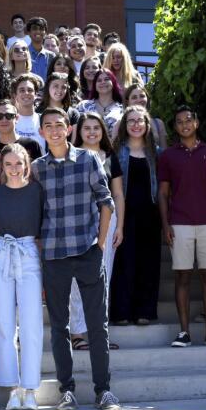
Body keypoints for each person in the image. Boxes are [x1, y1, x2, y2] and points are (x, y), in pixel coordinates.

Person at [32, 108, 121, 410]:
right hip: (55, 256)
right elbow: (36, 211)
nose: (55, 130)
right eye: (48, 126)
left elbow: (106, 201)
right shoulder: (37, 168)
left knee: (97, 325)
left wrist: (99, 243)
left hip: (87, 252)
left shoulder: (87, 159)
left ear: (69, 129)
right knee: (60, 326)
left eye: (59, 125)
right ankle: (66, 390)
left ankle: (104, 390)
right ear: (42, 132)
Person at [157, 106, 206, 348]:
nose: (185, 124)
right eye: (179, 121)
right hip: (179, 223)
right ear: (175, 127)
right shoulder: (167, 156)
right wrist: (165, 224)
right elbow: (163, 194)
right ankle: (184, 332)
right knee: (182, 277)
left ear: (197, 123)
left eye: (189, 120)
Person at [0, 144, 44, 410]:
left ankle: (31, 388)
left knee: (31, 322)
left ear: (26, 164)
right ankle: (12, 388)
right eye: (8, 164)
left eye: (18, 164)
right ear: (2, 166)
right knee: (3, 322)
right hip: (2, 252)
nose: (13, 169)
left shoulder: (37, 191)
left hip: (29, 252)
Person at [68, 112, 124, 351]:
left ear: (103, 131)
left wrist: (120, 225)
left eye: (96, 128)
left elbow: (118, 194)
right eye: (87, 128)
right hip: (77, 222)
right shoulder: (70, 156)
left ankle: (99, 333)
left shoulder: (111, 157)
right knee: (76, 280)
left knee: (104, 278)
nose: (92, 132)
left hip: (107, 221)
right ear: (79, 132)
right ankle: (78, 333)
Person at [110, 105, 161, 327]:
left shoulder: (156, 153)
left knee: (148, 263)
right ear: (124, 125)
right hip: (124, 215)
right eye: (131, 121)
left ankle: (144, 311)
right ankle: (121, 312)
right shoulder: (117, 151)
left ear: (148, 125)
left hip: (150, 214)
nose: (136, 124)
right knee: (124, 262)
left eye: (140, 120)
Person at [0, 99, 43, 189]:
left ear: (17, 118)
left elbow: (40, 179)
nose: (4, 119)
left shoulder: (32, 145)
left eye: (9, 116)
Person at [77, 69, 124, 140]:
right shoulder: (83, 106)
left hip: (112, 149)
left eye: (106, 79)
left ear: (113, 83)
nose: (103, 82)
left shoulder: (122, 109)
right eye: (99, 80)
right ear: (95, 85)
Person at [124, 82, 168, 149]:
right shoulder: (120, 124)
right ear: (127, 102)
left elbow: (164, 153)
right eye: (134, 97)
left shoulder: (158, 124)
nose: (139, 100)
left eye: (142, 96)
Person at [11, 74, 46, 151]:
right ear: (15, 96)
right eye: (22, 90)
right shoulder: (9, 120)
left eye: (30, 90)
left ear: (36, 94)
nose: (26, 93)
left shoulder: (44, 120)